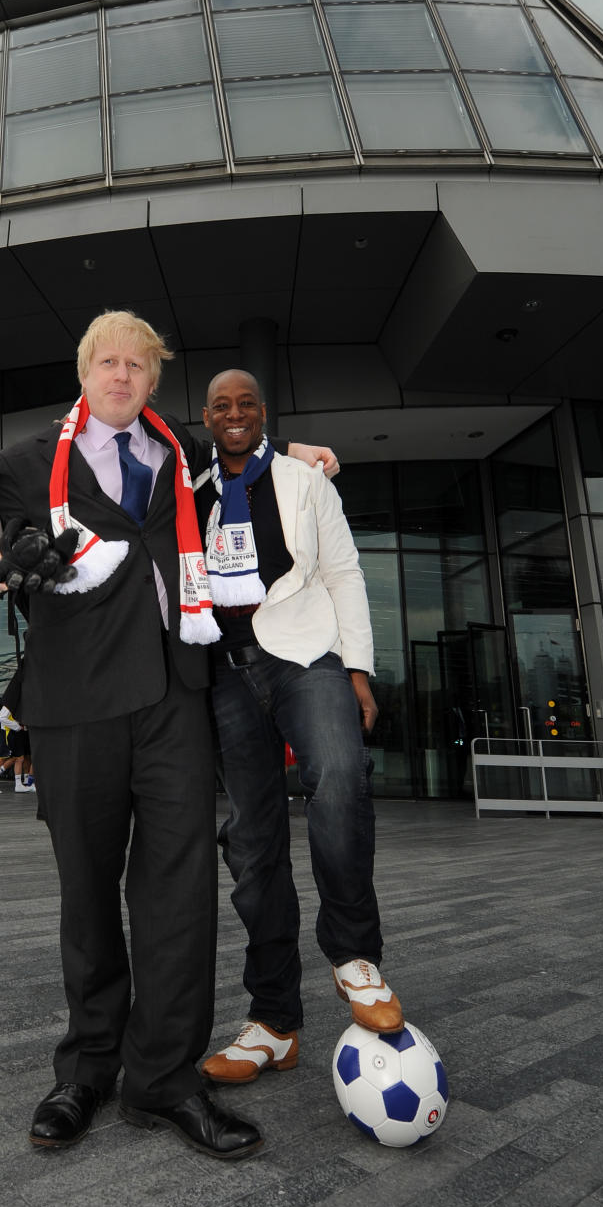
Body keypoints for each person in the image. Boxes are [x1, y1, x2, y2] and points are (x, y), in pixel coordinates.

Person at [0, 310, 336, 1162]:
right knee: (87, 890)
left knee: (180, 893)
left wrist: (299, 457)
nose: (121, 375)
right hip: (75, 702)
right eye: (107, 362)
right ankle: (87, 1067)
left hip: (172, 701)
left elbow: (247, 461)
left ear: (155, 381)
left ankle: (163, 1077)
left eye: (138, 365)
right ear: (84, 373)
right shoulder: (22, 464)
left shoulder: (183, 459)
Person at [194, 369, 404, 1089]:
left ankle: (353, 955)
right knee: (252, 844)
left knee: (341, 774)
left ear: (263, 412)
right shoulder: (191, 490)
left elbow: (344, 572)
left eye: (246, 403)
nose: (234, 413)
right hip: (225, 670)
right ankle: (273, 1021)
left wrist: (358, 668)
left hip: (305, 652)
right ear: (207, 416)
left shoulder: (306, 481)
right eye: (221, 405)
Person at [0, 699, 36, 795]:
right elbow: (1, 717)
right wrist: (17, 726)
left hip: (15, 733)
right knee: (1, 759)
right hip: (8, 733)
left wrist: (21, 727)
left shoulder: (19, 705)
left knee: (19, 758)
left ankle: (18, 785)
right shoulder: (11, 704)